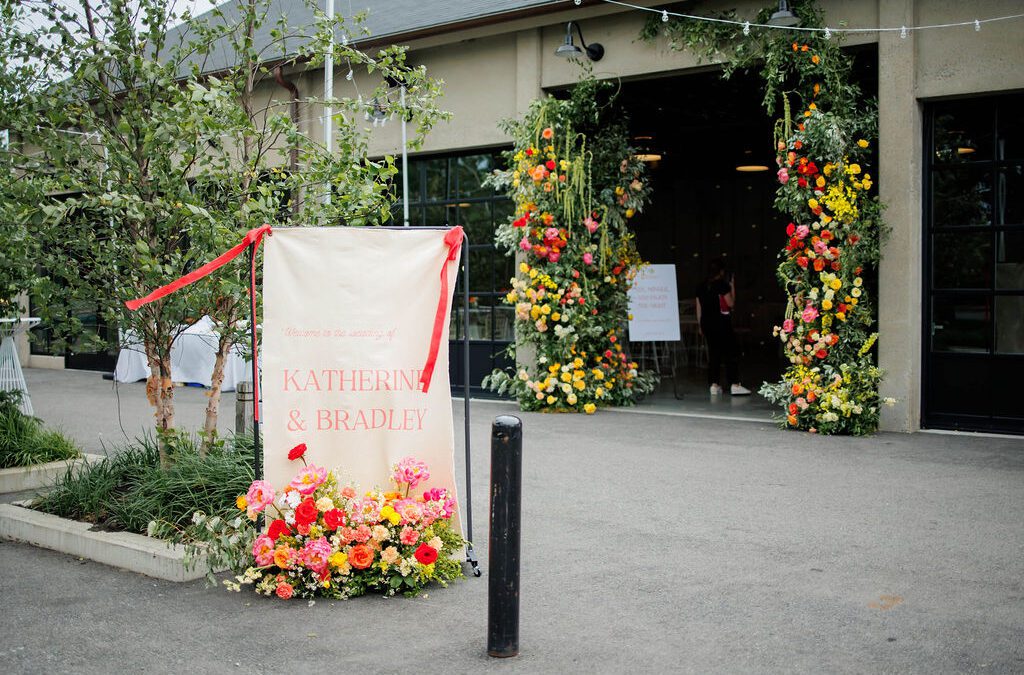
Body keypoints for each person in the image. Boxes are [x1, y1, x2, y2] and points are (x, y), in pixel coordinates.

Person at [695, 259, 751, 396]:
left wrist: (700, 325)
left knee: (713, 354)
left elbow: (698, 307)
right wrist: (732, 287)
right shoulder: (722, 285)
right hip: (721, 323)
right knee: (730, 353)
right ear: (721, 272)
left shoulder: (701, 286)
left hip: (707, 324)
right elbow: (730, 303)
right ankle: (734, 384)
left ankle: (714, 385)